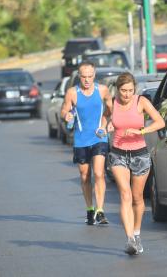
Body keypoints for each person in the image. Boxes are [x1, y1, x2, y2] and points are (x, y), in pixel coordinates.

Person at [108, 72, 165, 255]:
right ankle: (130, 239)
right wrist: (106, 125)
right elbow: (106, 118)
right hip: (118, 154)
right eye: (123, 91)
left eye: (130, 90)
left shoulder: (141, 101)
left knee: (137, 197)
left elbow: (160, 122)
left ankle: (137, 232)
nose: (127, 94)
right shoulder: (111, 102)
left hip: (140, 154)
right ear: (118, 89)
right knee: (125, 194)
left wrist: (141, 131)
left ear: (135, 89)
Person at [61, 61, 112, 226]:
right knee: (84, 177)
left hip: (99, 137)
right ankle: (90, 209)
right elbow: (64, 109)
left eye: (90, 76)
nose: (87, 80)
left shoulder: (103, 90)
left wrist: (106, 124)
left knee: (98, 173)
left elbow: (111, 109)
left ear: (94, 75)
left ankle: (100, 210)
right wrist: (66, 115)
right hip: (81, 140)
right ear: (79, 76)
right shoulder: (72, 92)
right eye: (84, 77)